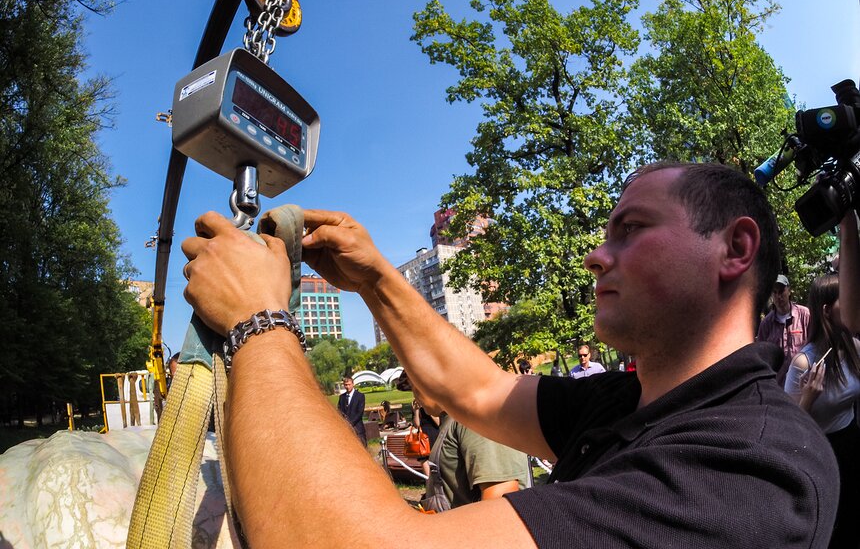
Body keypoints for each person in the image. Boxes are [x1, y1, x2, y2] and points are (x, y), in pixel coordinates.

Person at [181, 162, 838, 547]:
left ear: (735, 249)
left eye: (631, 230)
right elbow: (480, 392)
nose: (595, 255)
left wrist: (258, 322)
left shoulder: (754, 465)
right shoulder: (633, 403)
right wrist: (377, 277)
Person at [785, 273, 860, 549]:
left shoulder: (854, 348)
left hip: (852, 443)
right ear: (827, 310)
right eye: (847, 298)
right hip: (821, 452)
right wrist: (808, 398)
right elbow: (789, 430)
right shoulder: (804, 362)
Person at [398, 371, 528, 509]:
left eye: (414, 387)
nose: (415, 397)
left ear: (433, 383)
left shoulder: (476, 419)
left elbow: (500, 499)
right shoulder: (454, 419)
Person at [756, 274, 810, 385]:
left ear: (789, 291)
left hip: (803, 383)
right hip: (777, 385)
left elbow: (815, 345)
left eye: (781, 291)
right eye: (774, 292)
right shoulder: (766, 324)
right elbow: (761, 356)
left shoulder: (805, 315)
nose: (778, 296)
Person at [411, 398, 440, 477]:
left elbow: (438, 423)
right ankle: (429, 480)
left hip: (435, 433)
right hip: (423, 434)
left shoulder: (434, 402)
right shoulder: (415, 402)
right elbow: (417, 424)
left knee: (438, 457)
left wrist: (428, 409)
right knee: (423, 459)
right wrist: (416, 411)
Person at [337, 376, 367, 446]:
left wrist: (350, 423)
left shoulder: (360, 396)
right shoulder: (342, 397)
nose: (347, 387)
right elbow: (339, 412)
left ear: (353, 384)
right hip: (345, 430)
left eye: (349, 384)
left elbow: (360, 413)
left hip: (358, 429)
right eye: (346, 385)